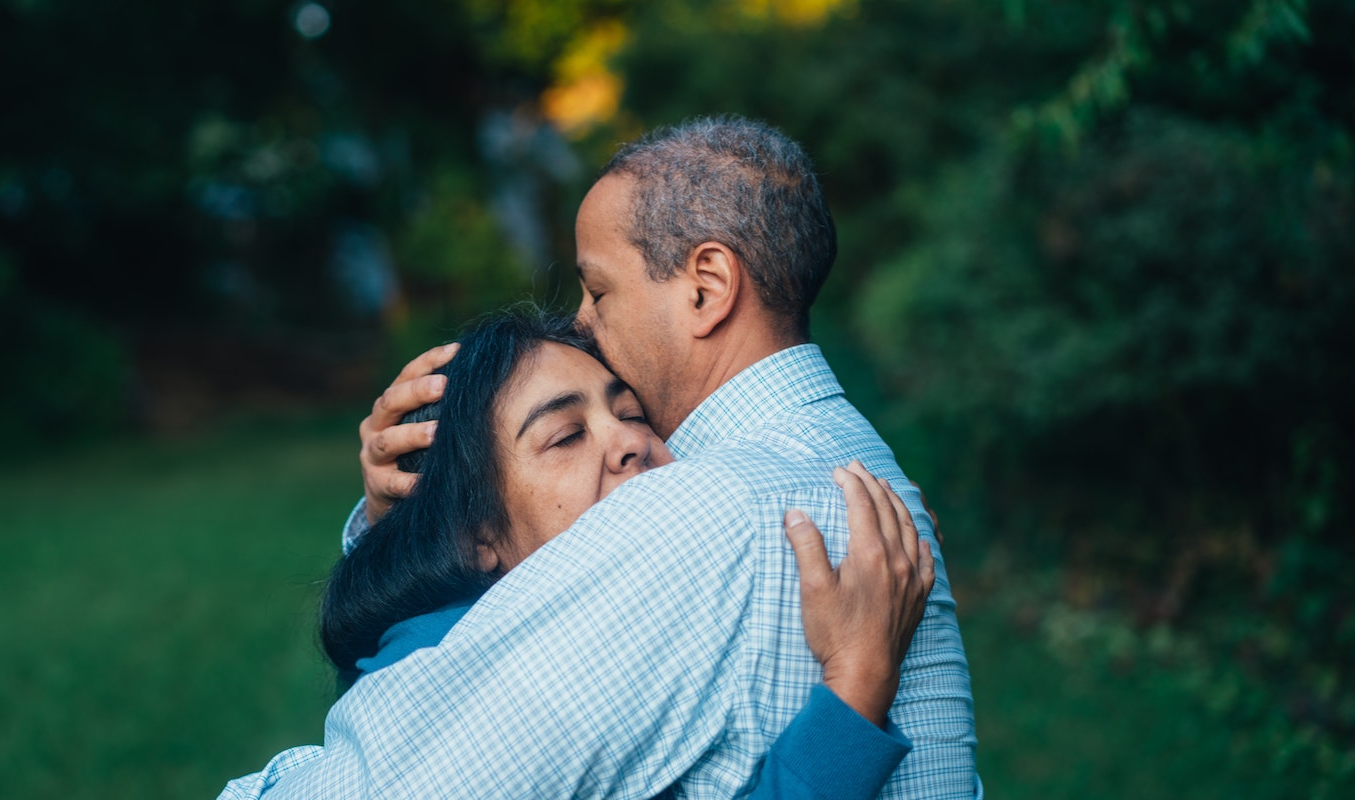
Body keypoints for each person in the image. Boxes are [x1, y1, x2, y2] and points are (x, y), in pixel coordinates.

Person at [246, 116, 978, 797]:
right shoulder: (856, 470)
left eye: (599, 289)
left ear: (707, 288)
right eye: (566, 433)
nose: (582, 320)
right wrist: (402, 519)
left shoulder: (699, 512)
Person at [223, 309, 935, 799]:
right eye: (565, 437)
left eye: (630, 413)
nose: (628, 441)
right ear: (478, 536)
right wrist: (858, 683)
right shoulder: (494, 698)